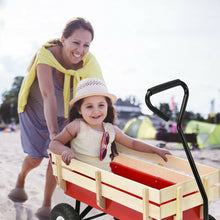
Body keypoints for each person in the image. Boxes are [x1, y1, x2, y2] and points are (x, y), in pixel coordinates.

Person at [8, 17, 104, 218]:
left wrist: (108, 131)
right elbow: (48, 95)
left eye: (86, 44)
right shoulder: (46, 55)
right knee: (35, 158)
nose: (81, 49)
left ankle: (45, 203)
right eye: (76, 42)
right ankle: (21, 179)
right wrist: (53, 134)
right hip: (35, 110)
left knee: (56, 158)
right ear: (63, 39)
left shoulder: (89, 62)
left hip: (64, 115)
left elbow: (100, 94)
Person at [49, 78, 171, 173]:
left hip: (105, 177)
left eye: (101, 105)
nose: (96, 111)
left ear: (107, 107)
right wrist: (65, 150)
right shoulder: (77, 126)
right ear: (80, 110)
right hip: (82, 176)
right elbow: (54, 143)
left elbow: (133, 143)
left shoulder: (111, 130)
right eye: (89, 106)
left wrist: (156, 149)